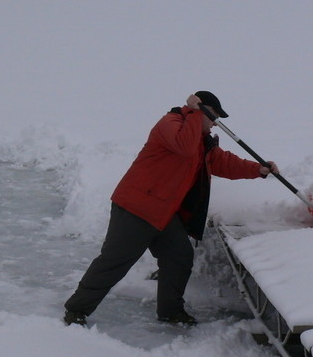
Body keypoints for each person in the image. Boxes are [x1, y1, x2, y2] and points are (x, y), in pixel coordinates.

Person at [62, 91, 278, 327]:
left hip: (164, 213)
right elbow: (183, 147)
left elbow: (223, 162)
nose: (216, 123)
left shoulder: (200, 140)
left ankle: (170, 311)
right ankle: (76, 310)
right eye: (214, 115)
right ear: (201, 110)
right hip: (137, 207)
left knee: (179, 257)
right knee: (114, 262)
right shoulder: (171, 123)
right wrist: (195, 112)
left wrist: (258, 170)